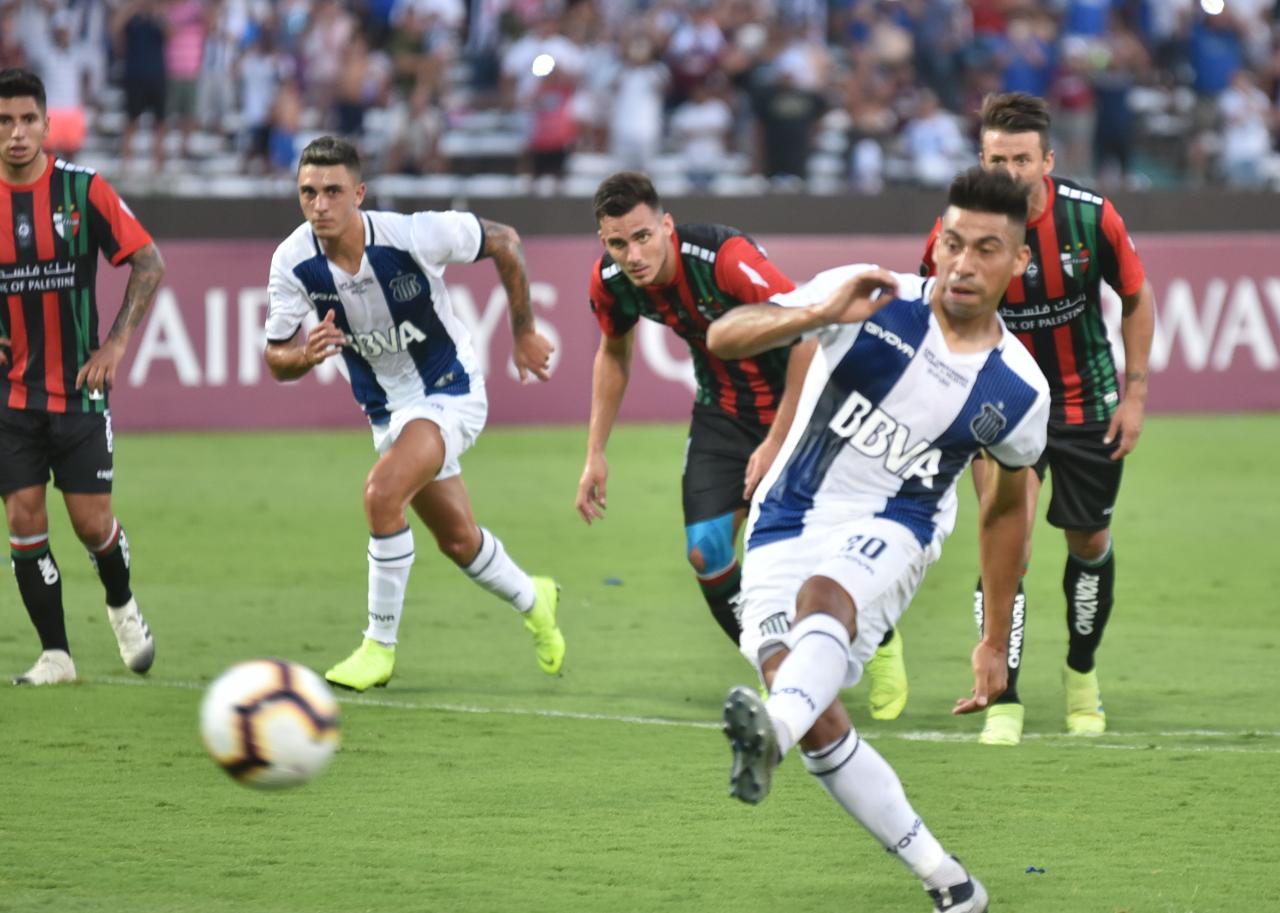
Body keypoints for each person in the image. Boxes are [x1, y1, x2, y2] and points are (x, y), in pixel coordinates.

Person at [710, 167, 1048, 913]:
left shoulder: (1019, 389)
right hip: (783, 521)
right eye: (952, 243)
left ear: (1016, 261)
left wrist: (995, 636)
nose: (962, 263)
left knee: (823, 600)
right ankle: (951, 881)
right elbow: (724, 335)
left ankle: (770, 734)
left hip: (900, 525)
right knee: (815, 711)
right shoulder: (871, 297)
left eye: (986, 249)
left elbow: (1009, 508)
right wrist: (818, 312)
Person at [577, 171, 909, 719]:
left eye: (641, 237)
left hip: (801, 406)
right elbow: (614, 352)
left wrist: (779, 439)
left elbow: (806, 331)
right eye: (617, 242)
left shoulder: (724, 257)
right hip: (724, 412)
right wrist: (595, 451)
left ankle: (881, 640)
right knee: (707, 552)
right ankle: (776, 670)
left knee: (814, 545)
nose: (632, 254)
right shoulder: (610, 280)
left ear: (666, 226)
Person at [264, 136, 565, 692]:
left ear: (359, 193)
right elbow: (275, 356)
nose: (320, 204)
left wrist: (523, 329)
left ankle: (378, 647)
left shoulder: (411, 235)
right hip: (387, 413)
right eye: (308, 192)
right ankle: (534, 598)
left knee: (382, 495)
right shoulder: (293, 261)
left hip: (451, 392)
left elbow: (504, 239)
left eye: (333, 191)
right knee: (459, 540)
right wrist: (304, 355)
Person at [921, 92, 1155, 746]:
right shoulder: (957, 231)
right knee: (1009, 542)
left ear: (1047, 160)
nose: (1010, 172)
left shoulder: (1091, 219)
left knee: (1087, 541)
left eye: (1023, 159)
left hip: (1085, 402)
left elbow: (1136, 299)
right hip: (1001, 407)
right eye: (997, 158)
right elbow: (930, 315)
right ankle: (1006, 695)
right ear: (982, 157)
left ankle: (1082, 673)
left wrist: (1134, 395)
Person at [0, 68, 163, 685]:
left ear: (46, 123)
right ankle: (56, 655)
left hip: (79, 393)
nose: (16, 134)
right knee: (22, 518)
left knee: (93, 524)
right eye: (3, 121)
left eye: (27, 120)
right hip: (10, 395)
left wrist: (117, 343)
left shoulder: (82, 191)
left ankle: (121, 605)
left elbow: (149, 262)